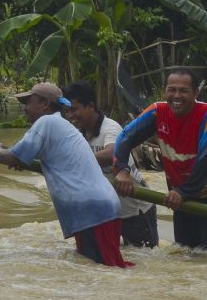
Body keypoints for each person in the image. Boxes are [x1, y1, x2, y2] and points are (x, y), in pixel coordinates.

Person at [0, 83, 130, 268]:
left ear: (45, 103)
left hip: (92, 210)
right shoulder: (59, 124)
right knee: (98, 269)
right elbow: (22, 156)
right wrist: (20, 158)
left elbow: (13, 157)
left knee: (108, 270)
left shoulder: (47, 122)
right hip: (94, 209)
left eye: (29, 102)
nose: (25, 108)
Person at [112, 67, 207, 258]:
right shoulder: (157, 112)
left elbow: (206, 159)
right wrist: (121, 169)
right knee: (184, 255)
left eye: (183, 91)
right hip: (180, 198)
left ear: (196, 93)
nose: (177, 96)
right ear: (164, 91)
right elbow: (124, 138)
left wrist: (183, 192)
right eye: (172, 90)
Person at [61, 81, 159, 248]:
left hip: (135, 210)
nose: (70, 115)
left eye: (74, 109)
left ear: (91, 106)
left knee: (145, 260)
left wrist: (76, 161)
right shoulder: (78, 134)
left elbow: (112, 153)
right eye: (67, 111)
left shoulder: (110, 128)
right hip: (107, 214)